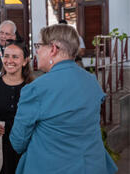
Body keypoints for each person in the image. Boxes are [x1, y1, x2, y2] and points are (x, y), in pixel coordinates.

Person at [9, 24, 118, 174]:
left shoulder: (36, 89)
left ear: (53, 49)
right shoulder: (91, 80)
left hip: (51, 167)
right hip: (92, 165)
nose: (37, 51)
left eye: (39, 46)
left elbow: (18, 142)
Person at [0, 39, 34, 174]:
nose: (9, 61)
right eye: (6, 56)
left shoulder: (33, 87)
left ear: (25, 61)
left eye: (15, 57)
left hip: (28, 149)